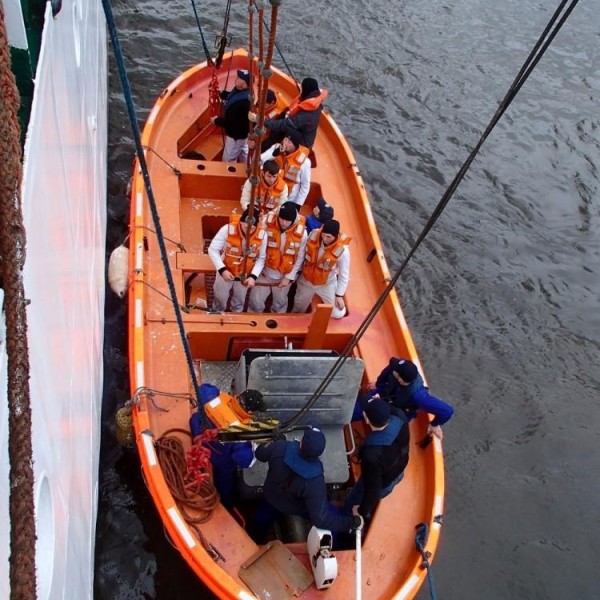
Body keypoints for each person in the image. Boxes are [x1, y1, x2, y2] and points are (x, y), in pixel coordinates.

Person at [246, 427, 362, 544]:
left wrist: (275, 441)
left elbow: (260, 453)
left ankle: (251, 539)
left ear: (301, 442)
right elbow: (321, 519)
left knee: (259, 521)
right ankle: (342, 543)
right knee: (332, 514)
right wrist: (353, 522)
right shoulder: (315, 481)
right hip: (296, 507)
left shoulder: (280, 448)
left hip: (271, 496)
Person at [190, 384, 265, 510]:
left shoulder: (212, 397)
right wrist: (254, 445)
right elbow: (245, 461)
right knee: (226, 482)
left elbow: (203, 388)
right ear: (250, 412)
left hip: (196, 432)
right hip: (217, 458)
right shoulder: (239, 434)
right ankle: (227, 505)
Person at [344, 396, 410, 522]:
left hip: (382, 482)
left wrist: (361, 510)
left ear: (367, 419)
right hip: (398, 471)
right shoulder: (400, 417)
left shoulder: (371, 455)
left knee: (354, 502)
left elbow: (373, 488)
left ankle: (351, 519)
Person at [366, 358, 454, 440]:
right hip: (386, 394)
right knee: (361, 406)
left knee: (383, 436)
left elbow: (447, 411)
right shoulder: (396, 367)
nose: (392, 368)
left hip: (398, 411)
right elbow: (386, 372)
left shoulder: (419, 397)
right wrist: (378, 384)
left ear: (400, 379)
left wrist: (434, 424)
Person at [248, 202, 308, 313]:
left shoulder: (302, 234)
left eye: (287, 220)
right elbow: (255, 243)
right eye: (281, 219)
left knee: (280, 303)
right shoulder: (266, 222)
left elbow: (300, 257)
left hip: (283, 276)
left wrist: (289, 277)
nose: (284, 223)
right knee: (255, 301)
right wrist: (256, 270)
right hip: (264, 272)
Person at [207, 208, 267, 312]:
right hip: (226, 269)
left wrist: (253, 276)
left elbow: (261, 259)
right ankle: (217, 311)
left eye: (252, 228)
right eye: (245, 226)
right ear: (240, 222)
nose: (247, 231)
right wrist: (222, 270)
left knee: (240, 298)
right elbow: (213, 249)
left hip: (245, 273)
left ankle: (236, 312)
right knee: (220, 296)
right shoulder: (227, 229)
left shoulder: (262, 236)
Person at [292, 219, 350, 319]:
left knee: (338, 313)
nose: (325, 239)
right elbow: (303, 255)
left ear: (335, 236)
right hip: (307, 279)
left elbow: (344, 275)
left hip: (326, 283)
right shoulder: (313, 235)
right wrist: (295, 274)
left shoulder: (343, 251)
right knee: (298, 308)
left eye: (329, 237)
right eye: (323, 235)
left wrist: (339, 295)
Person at [262, 77, 328, 149]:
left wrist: (264, 122)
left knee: (286, 128)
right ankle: (273, 137)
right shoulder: (314, 100)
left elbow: (286, 124)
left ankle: (272, 143)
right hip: (301, 129)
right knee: (283, 115)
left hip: (304, 142)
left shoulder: (307, 115)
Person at [261, 129, 311, 206]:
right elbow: (261, 160)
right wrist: (274, 153)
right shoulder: (276, 148)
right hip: (272, 187)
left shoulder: (305, 162)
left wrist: (297, 205)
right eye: (285, 139)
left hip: (289, 196)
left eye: (290, 142)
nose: (286, 143)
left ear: (295, 145)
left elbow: (305, 185)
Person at [211, 69, 251, 163]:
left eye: (239, 78)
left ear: (244, 85)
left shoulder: (243, 104)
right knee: (244, 151)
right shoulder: (241, 91)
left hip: (235, 136)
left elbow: (230, 123)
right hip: (243, 135)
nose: (236, 78)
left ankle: (229, 171)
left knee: (228, 158)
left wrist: (216, 120)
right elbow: (232, 96)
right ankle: (246, 164)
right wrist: (222, 93)